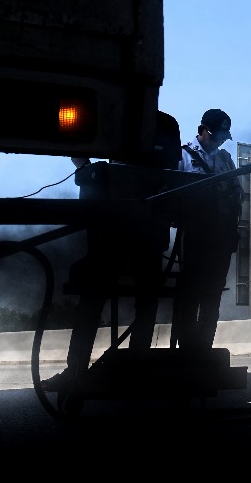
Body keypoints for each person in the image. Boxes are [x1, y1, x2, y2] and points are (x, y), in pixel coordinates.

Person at [40, 111, 181, 394]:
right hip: (120, 225)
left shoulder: (160, 123)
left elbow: (171, 172)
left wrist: (87, 168)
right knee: (102, 297)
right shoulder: (142, 119)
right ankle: (82, 370)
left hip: (141, 226)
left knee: (133, 300)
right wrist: (85, 167)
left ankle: (122, 370)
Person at [173, 108, 244, 350]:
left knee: (212, 295)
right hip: (195, 236)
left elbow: (238, 192)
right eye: (216, 136)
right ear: (203, 131)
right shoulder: (183, 156)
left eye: (224, 137)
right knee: (190, 292)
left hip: (222, 236)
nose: (220, 141)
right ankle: (186, 349)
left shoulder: (225, 159)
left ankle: (204, 348)